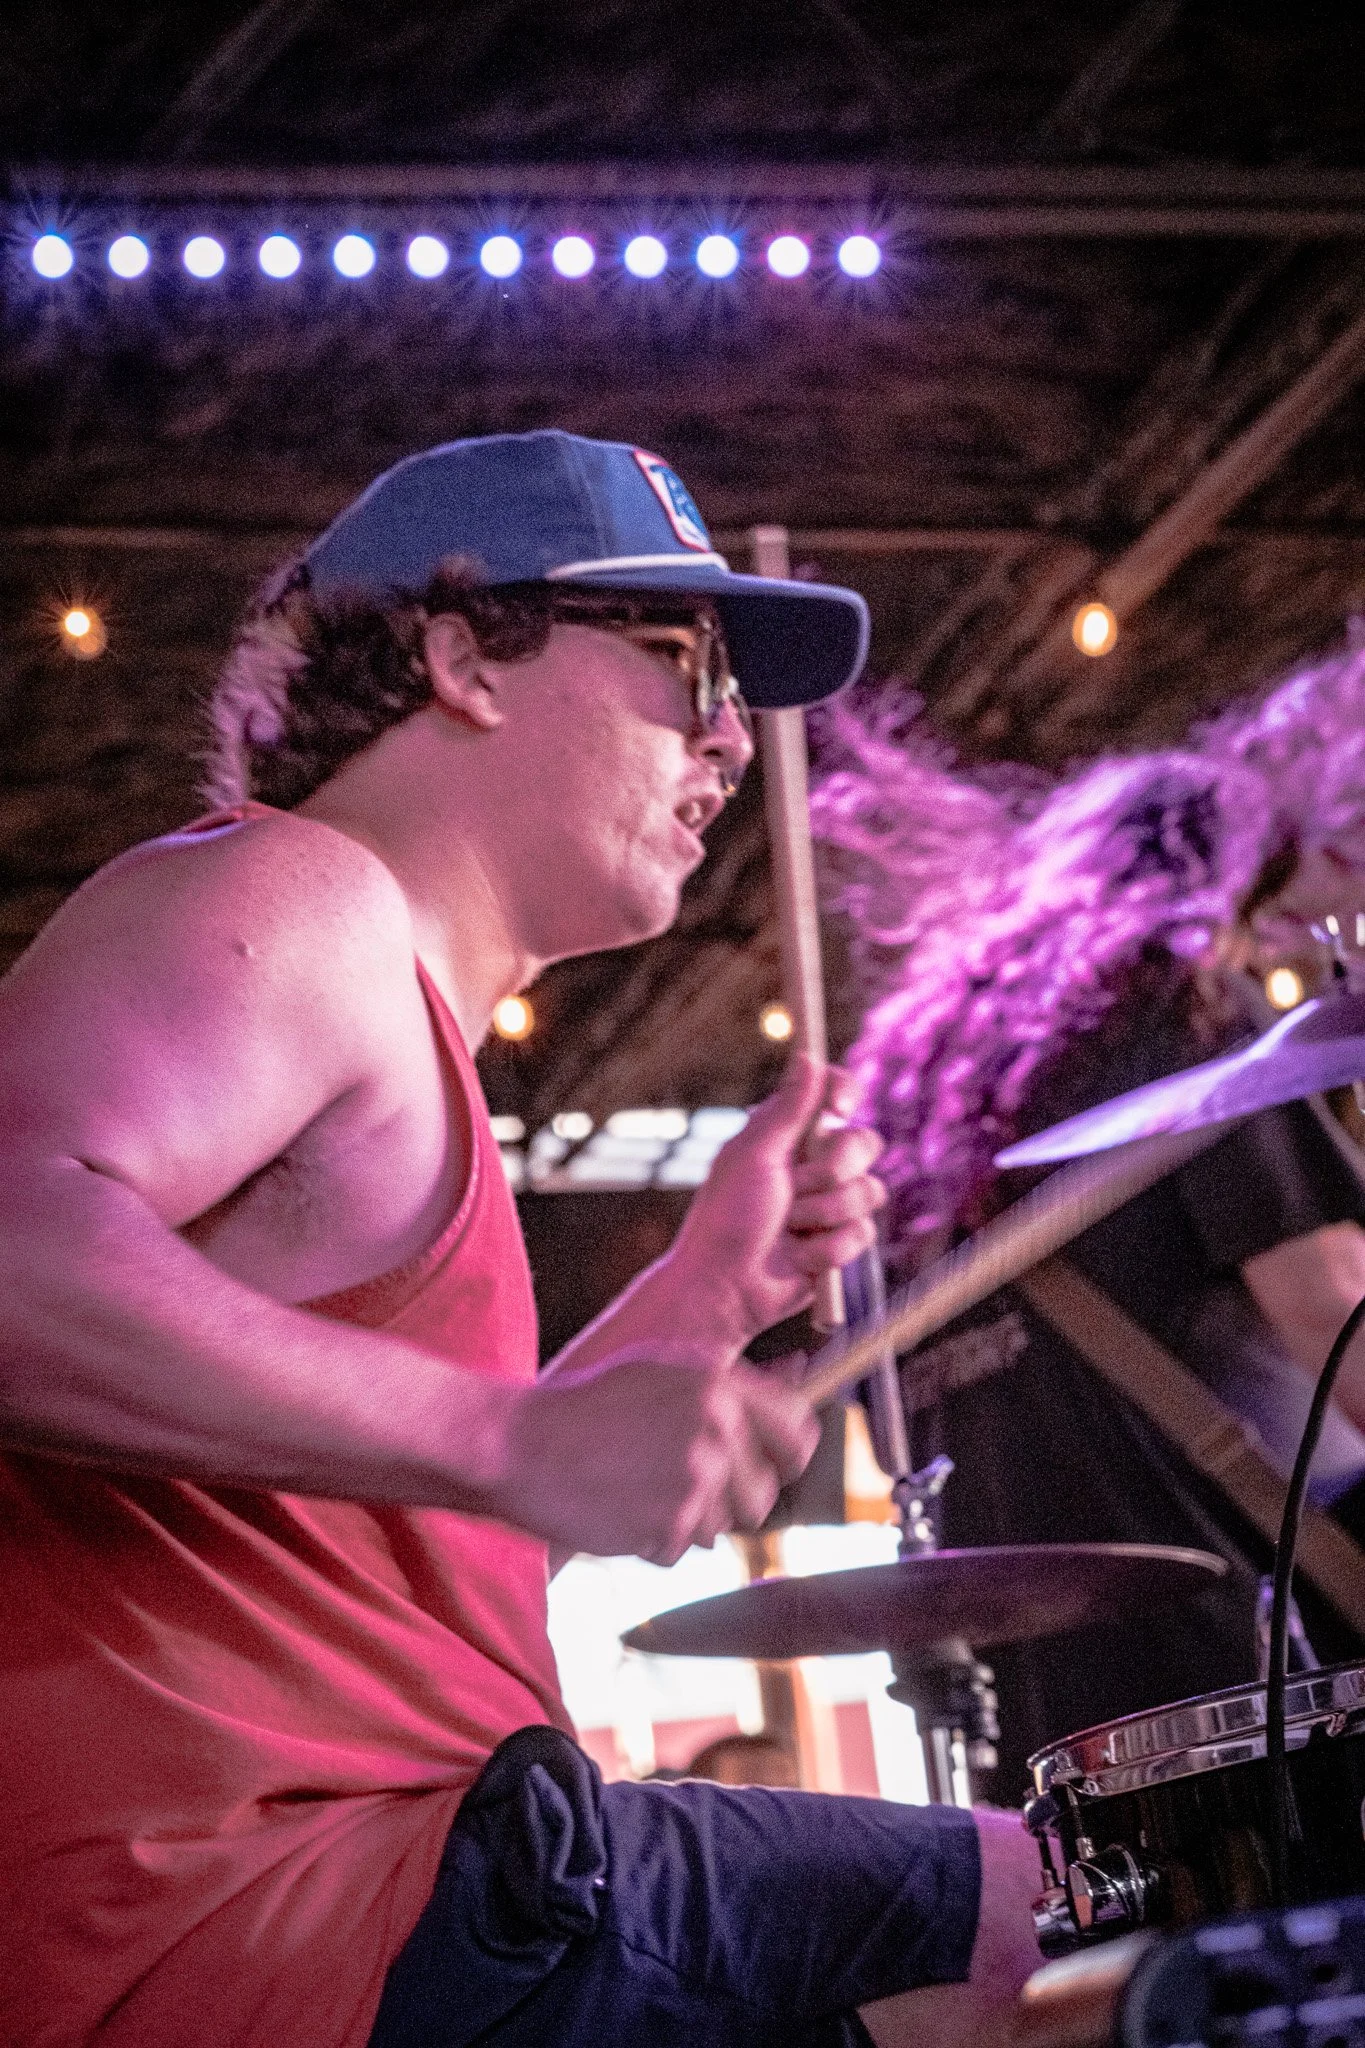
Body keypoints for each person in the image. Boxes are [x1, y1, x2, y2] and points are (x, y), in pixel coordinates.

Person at [0, 431, 1042, 2048]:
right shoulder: (297, 898)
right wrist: (504, 1427)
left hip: (372, 1909)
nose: (727, 740)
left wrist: (706, 1289)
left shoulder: (391, 1028)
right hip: (273, 1928)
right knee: (1015, 1926)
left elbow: (409, 1554)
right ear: (462, 653)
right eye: (685, 664)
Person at [813, 650, 1365, 1792]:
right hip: (1253, 1683)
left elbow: (896, 1440)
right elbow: (1336, 1318)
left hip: (1039, 1732)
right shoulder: (1180, 1014)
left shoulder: (908, 1119)